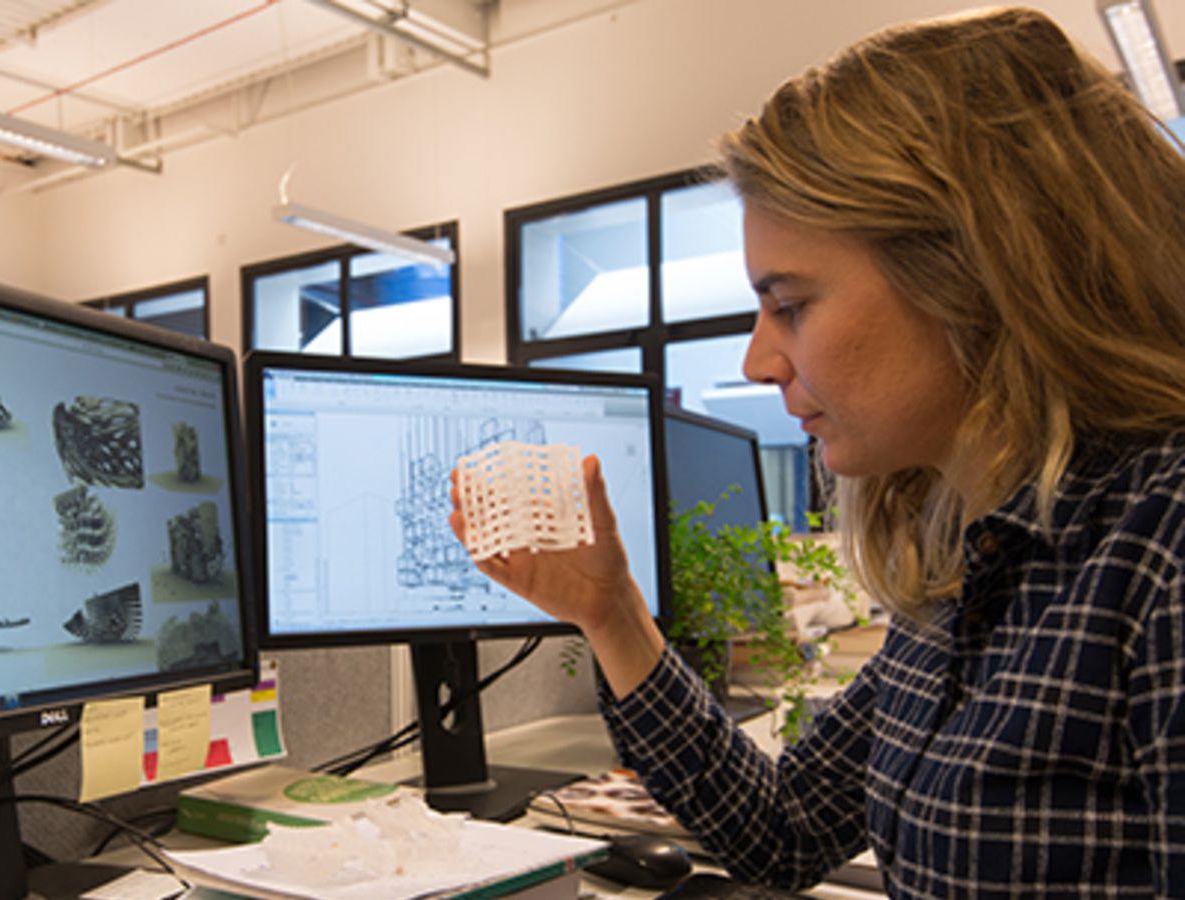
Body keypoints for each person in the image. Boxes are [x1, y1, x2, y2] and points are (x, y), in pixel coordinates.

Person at [450, 6, 1185, 897]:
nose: (758, 361)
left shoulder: (1159, 551)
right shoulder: (974, 566)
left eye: (790, 304)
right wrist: (612, 616)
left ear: (976, 274)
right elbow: (785, 829)